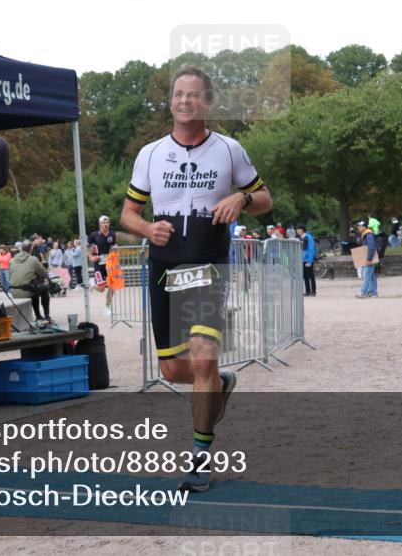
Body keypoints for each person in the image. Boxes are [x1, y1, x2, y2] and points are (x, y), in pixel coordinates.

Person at [120, 64, 272, 493]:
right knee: (173, 370)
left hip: (209, 266)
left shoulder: (228, 150)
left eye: (193, 95)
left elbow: (266, 200)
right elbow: (128, 213)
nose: (184, 101)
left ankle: (200, 459)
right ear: (171, 102)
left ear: (207, 103)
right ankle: (219, 383)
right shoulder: (149, 154)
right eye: (178, 94)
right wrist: (147, 229)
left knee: (204, 357)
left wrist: (241, 198)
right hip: (165, 268)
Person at [10, 240, 52, 323]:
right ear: (31, 249)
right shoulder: (33, 259)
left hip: (14, 291)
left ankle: (38, 316)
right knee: (45, 288)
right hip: (26, 291)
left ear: (21, 249)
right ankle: (46, 316)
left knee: (34, 290)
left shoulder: (12, 260)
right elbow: (43, 272)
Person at [88, 216, 117, 316]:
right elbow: (87, 247)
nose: (106, 224)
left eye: (107, 222)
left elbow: (113, 246)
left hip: (109, 264)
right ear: (100, 224)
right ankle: (92, 283)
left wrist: (114, 250)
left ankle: (107, 307)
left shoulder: (112, 234)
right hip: (99, 264)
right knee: (101, 289)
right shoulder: (94, 235)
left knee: (113, 286)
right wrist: (90, 257)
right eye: (104, 222)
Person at [354, 221, 378, 298]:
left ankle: (363, 292)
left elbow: (371, 247)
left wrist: (369, 259)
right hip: (369, 258)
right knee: (371, 276)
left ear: (364, 227)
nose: (358, 228)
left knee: (366, 276)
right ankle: (373, 292)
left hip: (369, 259)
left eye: (360, 226)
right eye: (358, 226)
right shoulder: (367, 234)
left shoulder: (368, 235)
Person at [296, 225, 316, 296]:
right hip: (302, 259)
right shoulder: (300, 238)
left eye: (298, 229)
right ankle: (307, 291)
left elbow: (311, 249)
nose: (297, 231)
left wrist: (310, 260)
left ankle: (313, 291)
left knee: (311, 276)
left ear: (301, 230)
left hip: (308, 259)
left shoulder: (308, 237)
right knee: (305, 276)